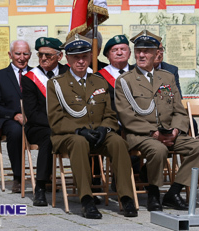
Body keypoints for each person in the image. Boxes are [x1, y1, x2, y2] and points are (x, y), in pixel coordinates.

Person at [115, 30, 199, 211]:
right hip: (141, 134)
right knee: (158, 149)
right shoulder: (125, 80)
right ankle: (154, 193)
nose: (141, 55)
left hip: (168, 132)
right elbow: (126, 116)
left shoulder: (167, 77)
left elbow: (179, 111)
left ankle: (174, 191)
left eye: (147, 51)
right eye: (138, 50)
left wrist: (175, 131)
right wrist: (153, 133)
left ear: (157, 54)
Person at [47, 34, 137, 219]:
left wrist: (105, 128)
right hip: (69, 135)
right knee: (79, 143)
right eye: (76, 57)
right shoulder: (56, 84)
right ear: (67, 58)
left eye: (84, 57)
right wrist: (79, 130)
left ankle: (126, 197)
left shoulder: (99, 81)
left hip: (97, 132)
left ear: (90, 57)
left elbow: (110, 114)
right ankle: (87, 199)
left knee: (118, 142)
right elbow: (56, 119)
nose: (81, 61)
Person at [22, 37, 68, 206]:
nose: (43, 59)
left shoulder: (68, 73)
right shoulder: (30, 78)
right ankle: (40, 187)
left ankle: (89, 187)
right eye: (40, 54)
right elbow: (32, 113)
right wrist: (57, 125)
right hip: (39, 127)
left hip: (68, 125)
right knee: (49, 137)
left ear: (59, 56)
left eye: (48, 55)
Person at [0, 40, 32, 193]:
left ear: (30, 55)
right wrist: (15, 115)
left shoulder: (36, 74)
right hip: (9, 120)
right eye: (18, 53)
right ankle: (18, 178)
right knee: (16, 132)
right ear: (10, 55)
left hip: (34, 120)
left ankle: (45, 177)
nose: (21, 58)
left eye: (25, 54)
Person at [155, 42, 199, 135]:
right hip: (151, 113)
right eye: (156, 50)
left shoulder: (171, 70)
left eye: (161, 49)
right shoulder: (136, 70)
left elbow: (177, 97)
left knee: (191, 123)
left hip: (169, 110)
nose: (159, 53)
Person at [95, 34, 133, 113]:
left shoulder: (139, 73)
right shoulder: (98, 77)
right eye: (114, 50)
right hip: (112, 122)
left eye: (123, 49)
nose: (119, 53)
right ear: (108, 56)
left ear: (129, 54)